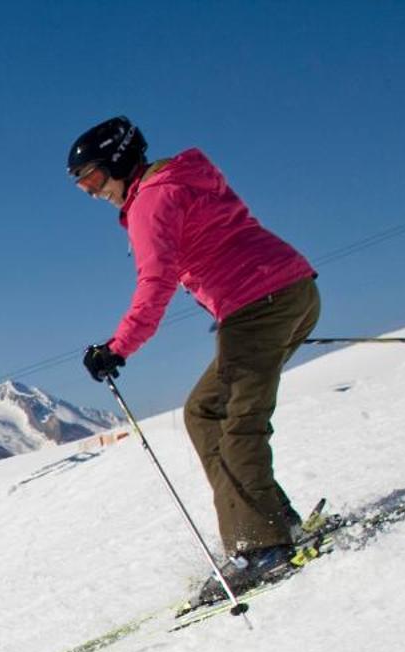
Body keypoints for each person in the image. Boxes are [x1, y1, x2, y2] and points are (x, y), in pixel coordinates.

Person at [70, 116, 320, 603]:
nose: (92, 193)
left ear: (119, 161)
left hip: (258, 304)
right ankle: (272, 521)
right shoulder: (180, 178)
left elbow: (155, 283)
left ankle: (263, 546)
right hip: (291, 292)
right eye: (82, 187)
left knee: (235, 421)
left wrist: (116, 347)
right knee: (204, 410)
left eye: (94, 179)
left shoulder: (150, 202)